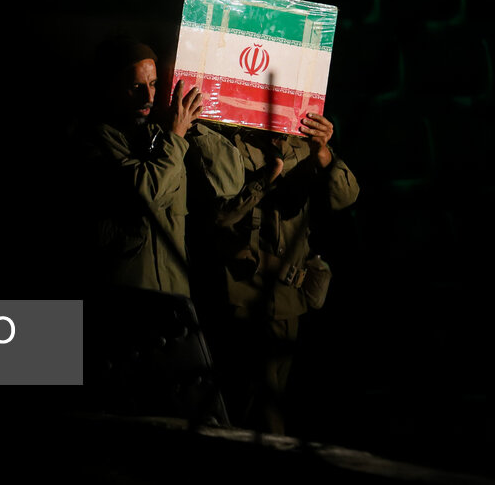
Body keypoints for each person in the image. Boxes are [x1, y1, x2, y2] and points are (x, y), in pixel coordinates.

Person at [185, 112, 360, 434]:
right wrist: (263, 181)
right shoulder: (228, 138)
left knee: (273, 399)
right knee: (256, 410)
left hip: (290, 298)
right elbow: (218, 216)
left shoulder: (302, 142)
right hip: (244, 294)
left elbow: (345, 197)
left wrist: (323, 151)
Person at [80, 35, 203, 296]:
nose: (148, 96)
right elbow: (145, 194)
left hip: (174, 294)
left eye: (154, 84)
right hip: (129, 301)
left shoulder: (162, 133)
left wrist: (198, 126)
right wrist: (177, 137)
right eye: (136, 87)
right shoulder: (94, 143)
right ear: (111, 88)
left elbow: (231, 181)